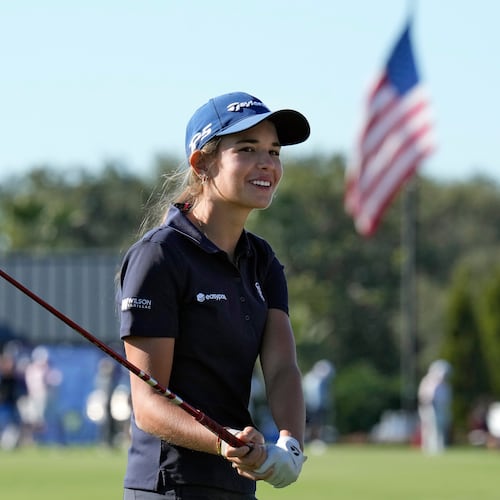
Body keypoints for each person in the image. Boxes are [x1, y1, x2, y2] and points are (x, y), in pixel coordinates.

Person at [119, 91, 310, 499]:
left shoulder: (262, 260)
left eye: (274, 152)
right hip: (169, 486)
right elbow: (148, 403)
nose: (267, 164)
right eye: (247, 149)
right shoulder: (159, 256)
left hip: (236, 486)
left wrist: (290, 445)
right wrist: (221, 441)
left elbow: (281, 369)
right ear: (202, 163)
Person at [417, 359, 452, 454]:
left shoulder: (445, 385)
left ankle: (438, 447)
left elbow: (446, 399)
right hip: (429, 408)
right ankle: (428, 448)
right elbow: (423, 396)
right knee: (428, 428)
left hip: (440, 408)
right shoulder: (427, 381)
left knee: (439, 428)